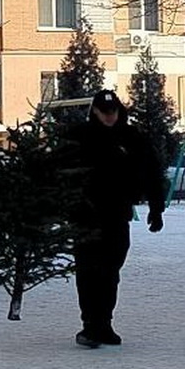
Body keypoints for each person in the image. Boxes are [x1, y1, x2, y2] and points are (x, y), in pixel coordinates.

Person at [65, 88, 166, 348]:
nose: (109, 116)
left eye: (114, 111)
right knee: (88, 271)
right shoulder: (79, 137)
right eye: (104, 112)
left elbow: (152, 172)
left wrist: (157, 208)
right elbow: (57, 172)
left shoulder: (132, 138)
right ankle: (90, 326)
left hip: (116, 215)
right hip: (84, 217)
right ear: (95, 111)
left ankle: (104, 323)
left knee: (111, 271)